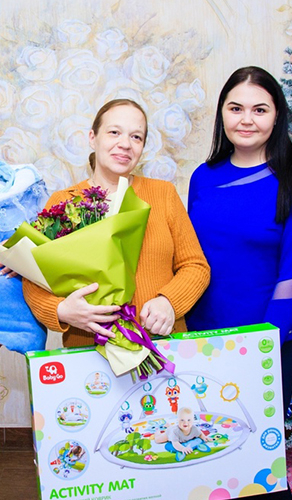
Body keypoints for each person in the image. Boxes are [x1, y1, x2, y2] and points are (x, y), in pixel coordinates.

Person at [23, 99, 210, 346]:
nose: (125, 144)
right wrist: (62, 310)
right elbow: (33, 280)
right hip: (89, 351)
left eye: (136, 137)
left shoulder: (163, 194)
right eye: (114, 132)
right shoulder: (63, 202)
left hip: (162, 343)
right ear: (93, 138)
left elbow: (196, 266)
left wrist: (170, 302)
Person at [187, 66, 292, 500]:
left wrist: (261, 346)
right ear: (222, 114)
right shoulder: (202, 176)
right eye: (236, 108)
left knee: (260, 464)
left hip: (267, 344)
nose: (246, 119)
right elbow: (190, 258)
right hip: (200, 342)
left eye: (259, 109)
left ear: (277, 115)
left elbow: (290, 275)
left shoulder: (289, 177)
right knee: (206, 456)